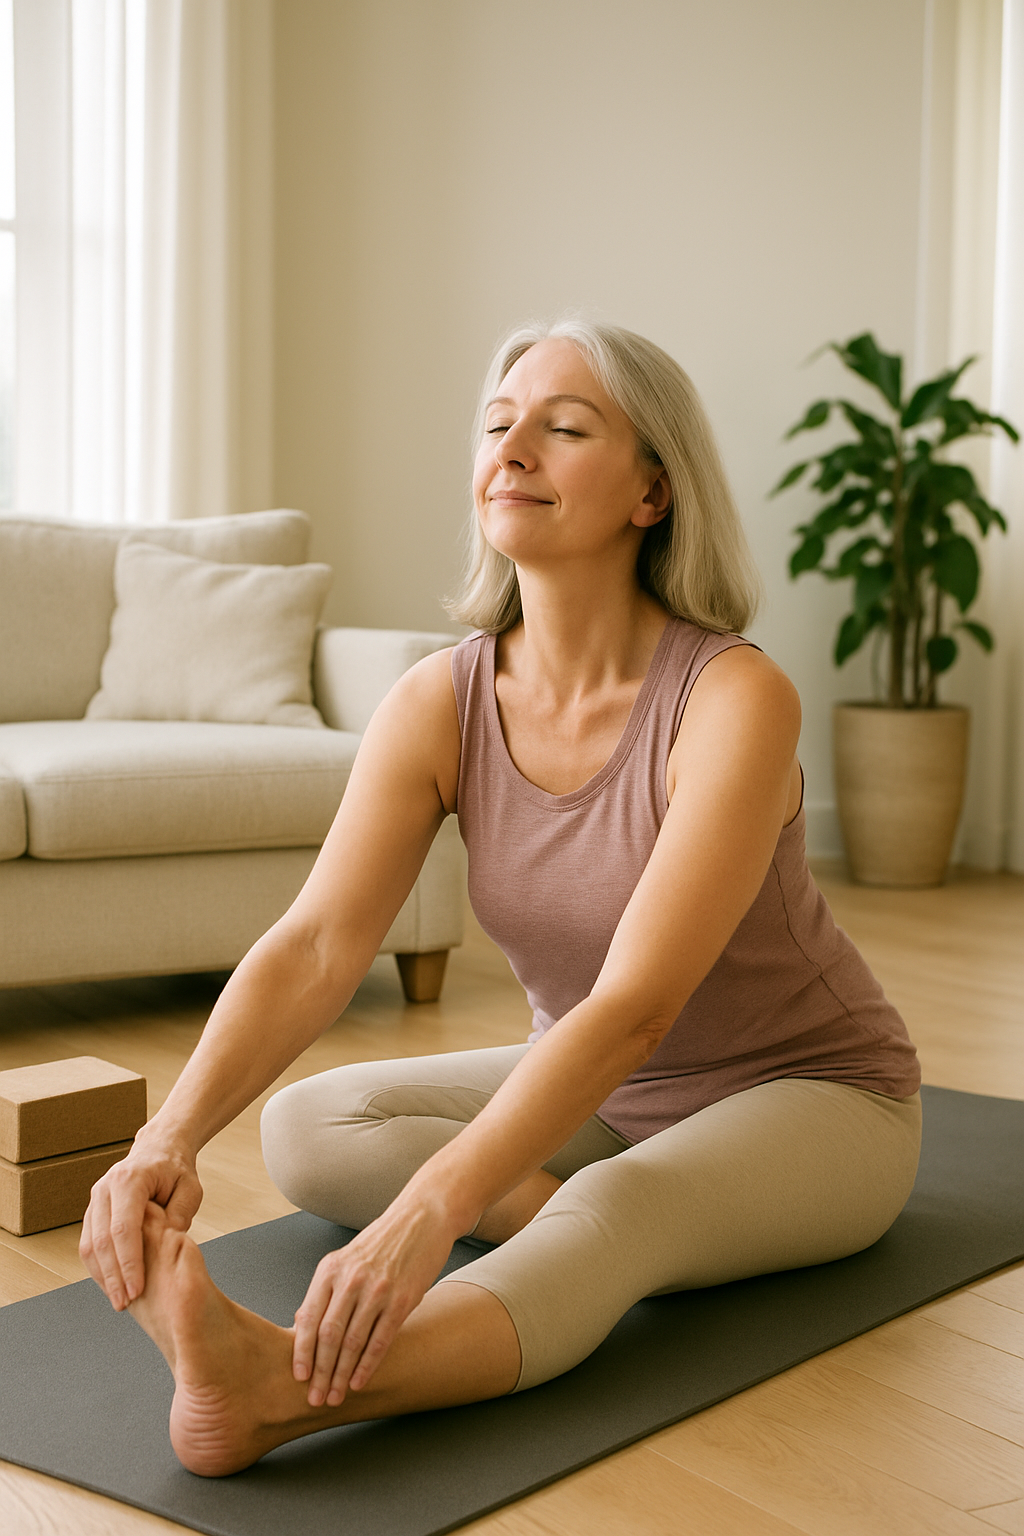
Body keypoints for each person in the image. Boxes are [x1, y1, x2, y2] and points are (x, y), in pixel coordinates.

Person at [80, 321, 922, 1477]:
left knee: (620, 1209)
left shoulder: (733, 698)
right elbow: (319, 943)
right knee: (310, 1127)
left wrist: (435, 1210)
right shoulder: (443, 699)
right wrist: (163, 1138)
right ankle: (575, 1227)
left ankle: (282, 1389)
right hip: (605, 1086)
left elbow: (634, 1007)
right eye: (497, 424)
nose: (513, 445)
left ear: (651, 493)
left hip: (814, 1094)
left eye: (564, 428)